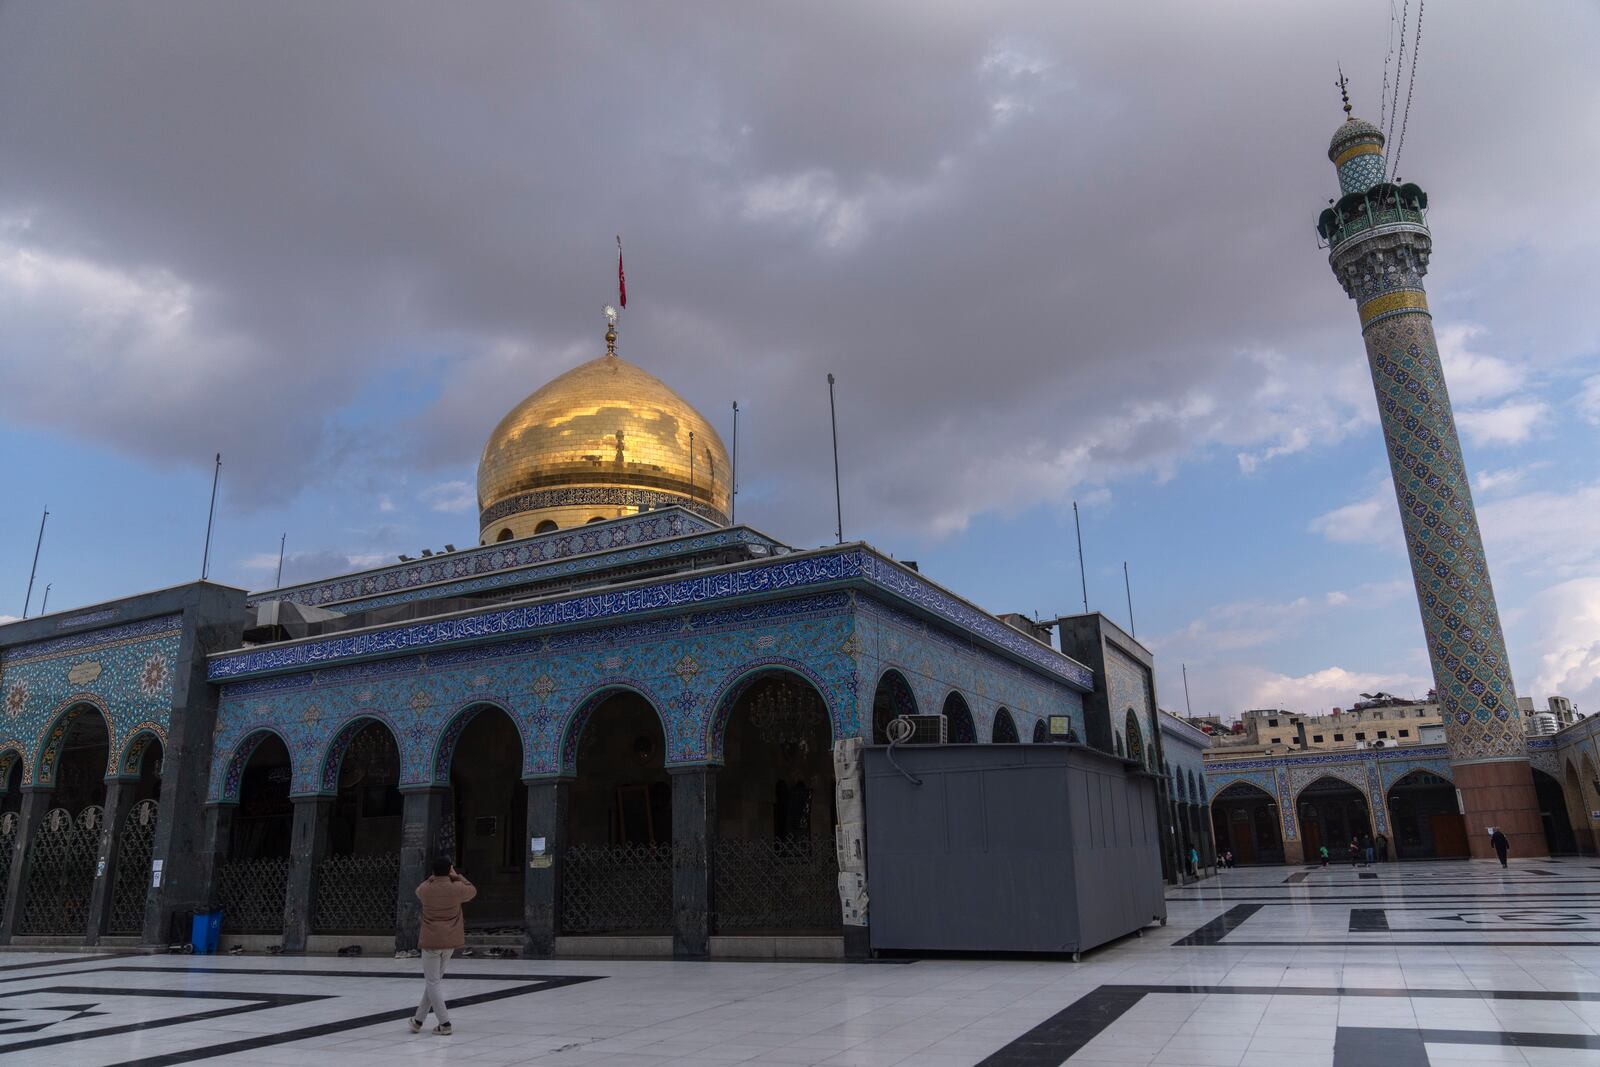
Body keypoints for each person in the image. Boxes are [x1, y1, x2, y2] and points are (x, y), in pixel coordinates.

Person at [411, 857, 477, 1036]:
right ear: (450, 870)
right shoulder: (457, 889)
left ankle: (445, 1023)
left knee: (432, 982)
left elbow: (418, 889)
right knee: (434, 982)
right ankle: (418, 1020)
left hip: (431, 941)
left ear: (432, 872)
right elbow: (472, 890)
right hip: (449, 942)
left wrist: (433, 878)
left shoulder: (425, 889)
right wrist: (457, 876)